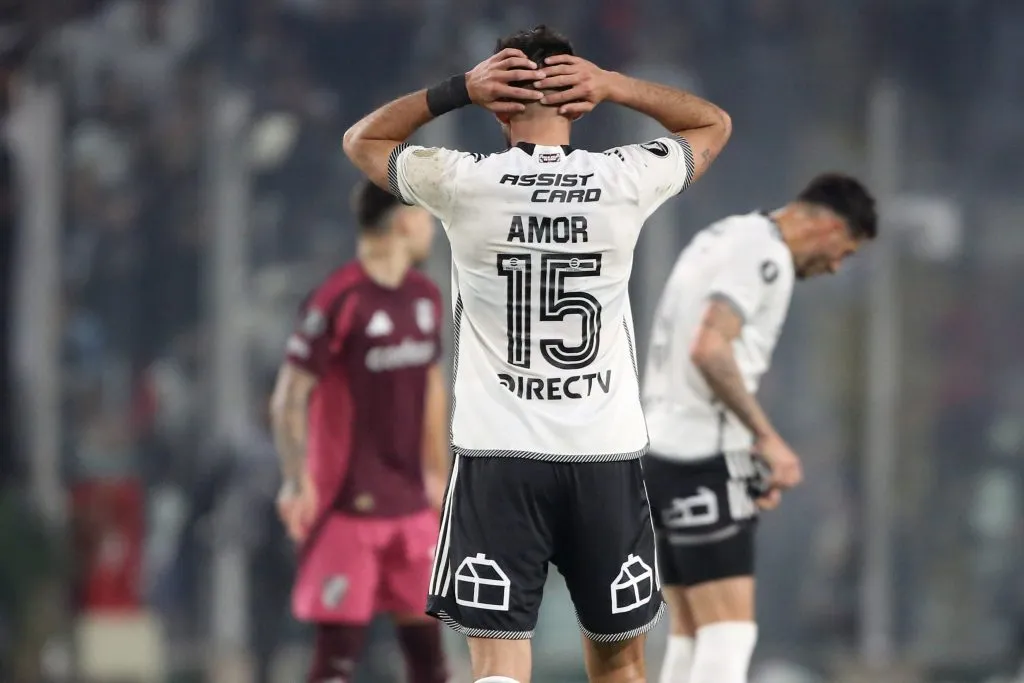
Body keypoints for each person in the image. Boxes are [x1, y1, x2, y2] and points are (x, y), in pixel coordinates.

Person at [343, 24, 731, 683]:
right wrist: (615, 85)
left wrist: (456, 90)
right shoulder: (623, 178)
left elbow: (362, 141)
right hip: (603, 452)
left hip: (498, 455)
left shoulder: (465, 182)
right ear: (579, 103)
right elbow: (713, 125)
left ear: (498, 108)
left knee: (497, 661)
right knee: (620, 665)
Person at [640, 174, 877, 683]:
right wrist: (766, 438)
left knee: (690, 629)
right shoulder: (764, 256)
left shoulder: (723, 234)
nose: (835, 266)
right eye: (844, 251)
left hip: (657, 450)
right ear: (829, 226)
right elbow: (709, 346)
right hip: (703, 455)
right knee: (729, 633)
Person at [270, 180, 450, 683]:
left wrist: (438, 472)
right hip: (349, 506)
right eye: (427, 217)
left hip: (413, 507)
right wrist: (293, 478)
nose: (432, 227)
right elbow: (289, 396)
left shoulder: (426, 296)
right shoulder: (338, 298)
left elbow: (432, 388)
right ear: (403, 221)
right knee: (337, 661)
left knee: (430, 660)